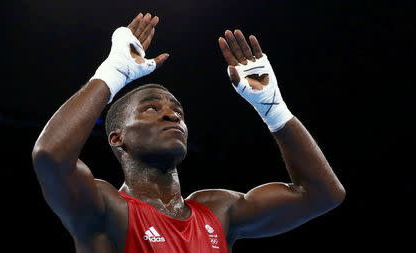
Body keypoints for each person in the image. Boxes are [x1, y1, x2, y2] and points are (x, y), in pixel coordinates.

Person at [32, 12, 345, 253]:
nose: (171, 114)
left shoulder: (218, 211)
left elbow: (323, 195)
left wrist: (273, 109)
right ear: (117, 138)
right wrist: (113, 74)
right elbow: (50, 155)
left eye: (177, 111)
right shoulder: (104, 207)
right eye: (151, 108)